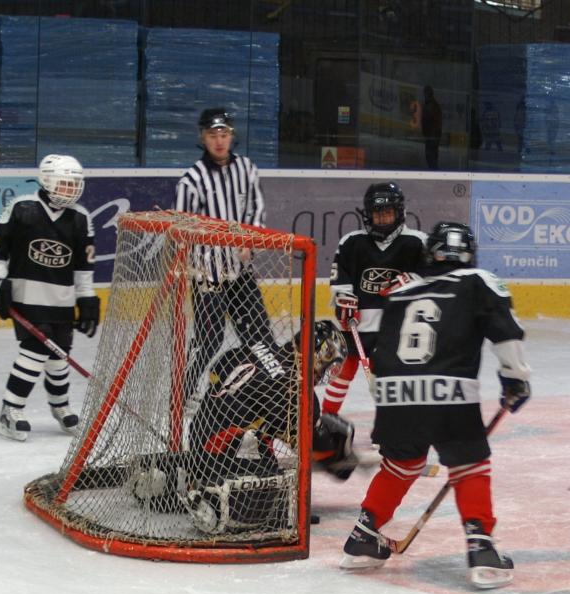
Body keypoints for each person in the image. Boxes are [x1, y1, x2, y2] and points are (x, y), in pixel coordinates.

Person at [339, 222, 531, 590]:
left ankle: (363, 534)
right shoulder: (480, 280)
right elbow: (506, 331)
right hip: (449, 392)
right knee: (469, 464)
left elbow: (382, 347)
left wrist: (393, 395)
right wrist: (515, 377)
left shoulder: (402, 289)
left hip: (394, 393)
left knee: (401, 464)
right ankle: (481, 547)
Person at [132, 320, 358, 533]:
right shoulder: (298, 391)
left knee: (255, 437)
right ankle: (211, 498)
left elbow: (218, 369)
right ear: (319, 355)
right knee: (279, 497)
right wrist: (337, 448)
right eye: (330, 365)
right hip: (232, 451)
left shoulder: (259, 345)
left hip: (200, 434)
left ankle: (177, 473)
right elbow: (306, 447)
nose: (326, 373)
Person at [0, 154, 98, 441]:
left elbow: (83, 267)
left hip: (61, 299)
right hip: (27, 297)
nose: (71, 189)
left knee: (59, 356)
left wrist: (86, 298)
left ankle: (60, 406)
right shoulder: (22, 208)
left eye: (75, 184)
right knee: (34, 351)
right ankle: (11, 409)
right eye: (65, 183)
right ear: (46, 180)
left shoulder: (81, 218)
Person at [174, 108, 275, 401]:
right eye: (212, 135)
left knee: (260, 338)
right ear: (202, 138)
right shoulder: (192, 180)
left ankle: (262, 392)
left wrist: (249, 241)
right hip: (208, 275)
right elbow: (182, 227)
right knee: (210, 339)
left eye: (224, 134)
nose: (219, 141)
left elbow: (256, 209)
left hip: (240, 272)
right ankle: (183, 391)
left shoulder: (246, 169)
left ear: (232, 136)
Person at [323, 182, 426, 416]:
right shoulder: (351, 242)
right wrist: (343, 299)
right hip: (357, 326)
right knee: (342, 371)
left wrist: (411, 280)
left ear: (399, 212)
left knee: (390, 380)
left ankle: (394, 423)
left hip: (396, 328)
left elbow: (432, 276)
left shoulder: (417, 242)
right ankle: (326, 418)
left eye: (387, 212)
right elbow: (341, 279)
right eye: (377, 213)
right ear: (368, 215)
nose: (382, 218)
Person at [421, 85, 443, 170]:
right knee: (431, 155)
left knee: (431, 156)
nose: (424, 95)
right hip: (432, 134)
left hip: (432, 135)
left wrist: (430, 133)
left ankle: (434, 171)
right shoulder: (431, 105)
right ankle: (433, 170)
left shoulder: (432, 106)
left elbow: (429, 120)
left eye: (425, 93)